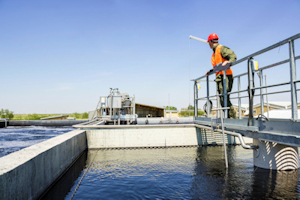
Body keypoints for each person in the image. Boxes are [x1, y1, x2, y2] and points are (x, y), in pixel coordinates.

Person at [206, 33, 237, 119]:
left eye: (209, 42)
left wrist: (229, 62)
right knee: (223, 99)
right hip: (220, 77)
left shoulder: (221, 49)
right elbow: (217, 66)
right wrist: (210, 71)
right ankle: (229, 117)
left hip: (226, 76)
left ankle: (232, 118)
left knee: (224, 98)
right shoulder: (215, 53)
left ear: (211, 42)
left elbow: (233, 56)